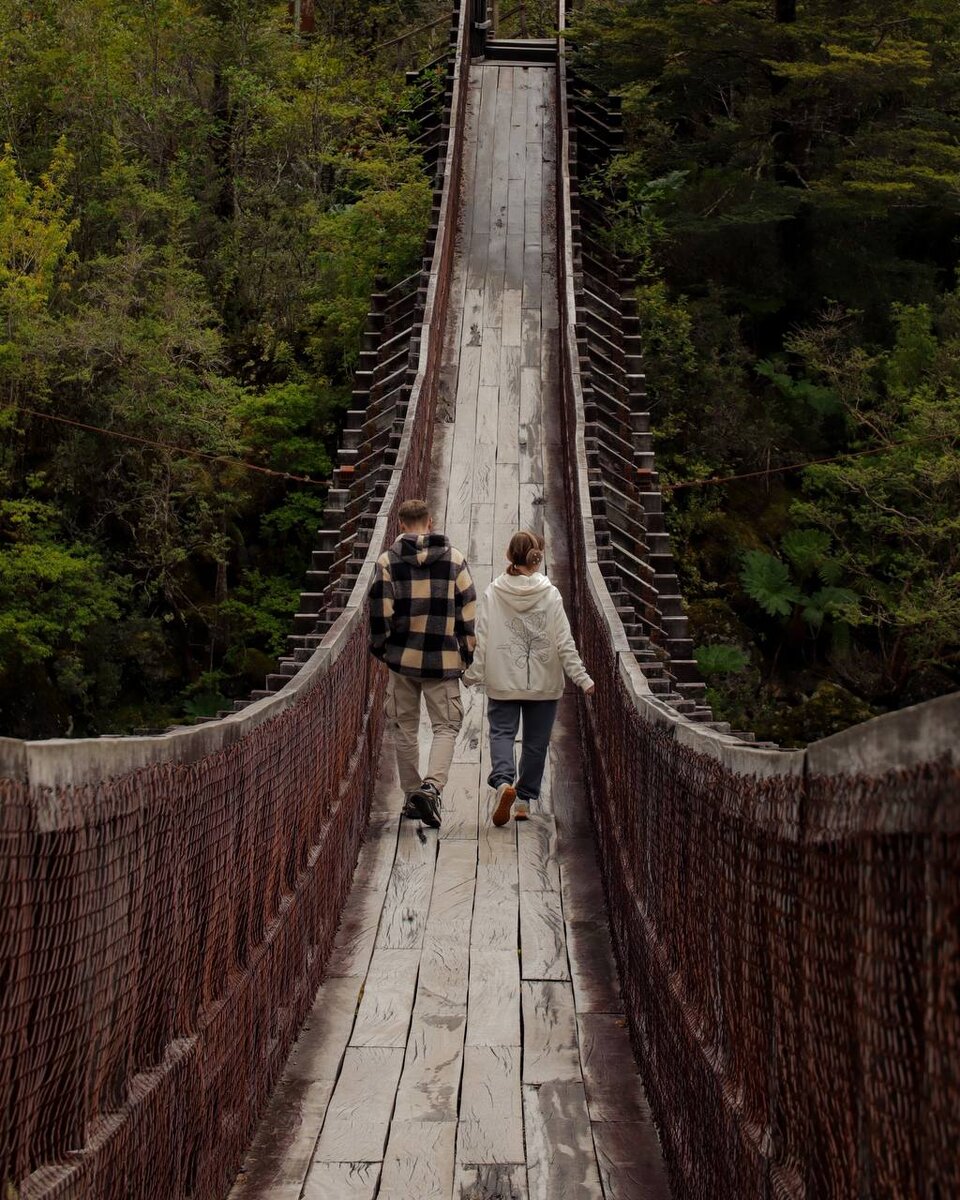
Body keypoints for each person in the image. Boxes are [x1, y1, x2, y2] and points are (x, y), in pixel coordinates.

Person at [464, 530, 594, 826]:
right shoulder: (550, 594)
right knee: (536, 743)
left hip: (502, 680)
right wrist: (582, 678)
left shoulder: (494, 592)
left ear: (509, 556)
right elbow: (564, 642)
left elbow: (481, 638)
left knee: (501, 734)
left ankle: (502, 784)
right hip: (544, 683)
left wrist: (472, 675)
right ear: (537, 558)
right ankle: (522, 800)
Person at [368, 498, 476, 828]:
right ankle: (431, 789)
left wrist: (383, 650)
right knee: (447, 726)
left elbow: (379, 612)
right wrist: (466, 652)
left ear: (401, 524)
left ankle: (412, 794)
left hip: (402, 659)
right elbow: (468, 611)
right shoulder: (455, 560)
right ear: (430, 522)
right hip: (442, 659)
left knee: (404, 728)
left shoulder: (387, 562)